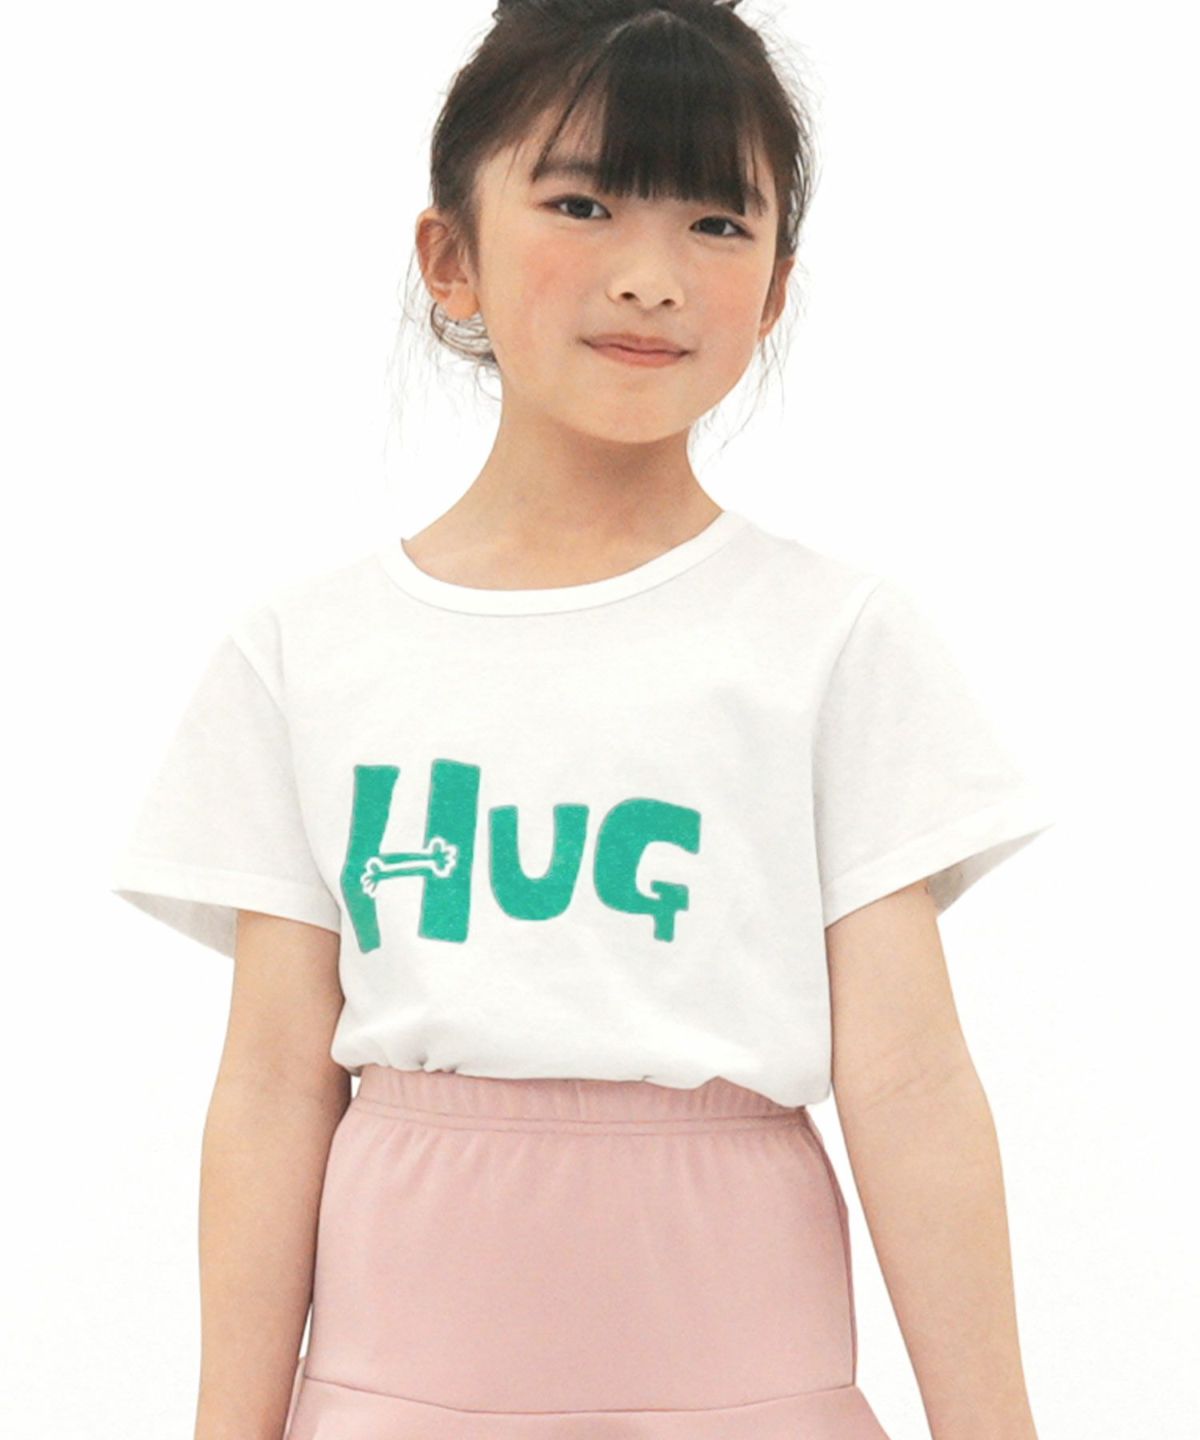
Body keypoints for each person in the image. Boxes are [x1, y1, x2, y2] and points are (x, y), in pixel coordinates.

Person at [109, 2, 1057, 1437]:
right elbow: (270, 1089)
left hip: (744, 1384)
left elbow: (912, 1083)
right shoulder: (304, 652)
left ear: (777, 289)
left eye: (717, 224)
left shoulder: (835, 639)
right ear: (451, 257)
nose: (651, 278)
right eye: (583, 203)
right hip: (395, 1389)